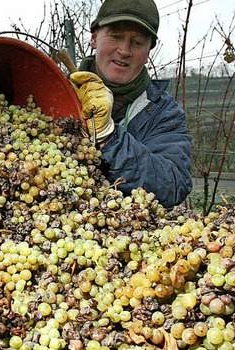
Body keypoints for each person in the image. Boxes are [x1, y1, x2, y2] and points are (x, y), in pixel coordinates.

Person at [71, 0, 192, 208]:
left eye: (137, 42)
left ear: (148, 52)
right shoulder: (56, 94)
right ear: (94, 38)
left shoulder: (162, 112)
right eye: (116, 36)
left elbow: (173, 185)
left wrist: (110, 137)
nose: (125, 51)